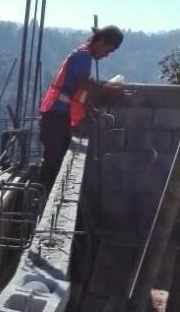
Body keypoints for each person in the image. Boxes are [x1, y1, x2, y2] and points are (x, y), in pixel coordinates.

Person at [38, 24, 125, 191]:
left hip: (58, 116)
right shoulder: (83, 56)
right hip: (55, 116)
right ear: (100, 41)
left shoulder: (83, 57)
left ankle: (44, 196)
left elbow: (80, 92)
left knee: (56, 159)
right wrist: (108, 89)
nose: (107, 55)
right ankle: (42, 197)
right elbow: (83, 83)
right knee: (53, 160)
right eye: (108, 50)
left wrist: (91, 109)